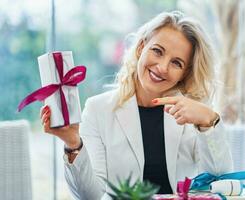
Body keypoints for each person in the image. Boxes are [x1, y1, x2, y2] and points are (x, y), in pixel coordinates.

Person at [40, 11, 233, 200]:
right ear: (141, 47)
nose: (162, 67)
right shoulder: (98, 109)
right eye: (157, 51)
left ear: (185, 73)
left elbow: (219, 181)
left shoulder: (192, 111)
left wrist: (209, 120)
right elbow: (90, 196)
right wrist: (73, 143)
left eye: (177, 63)